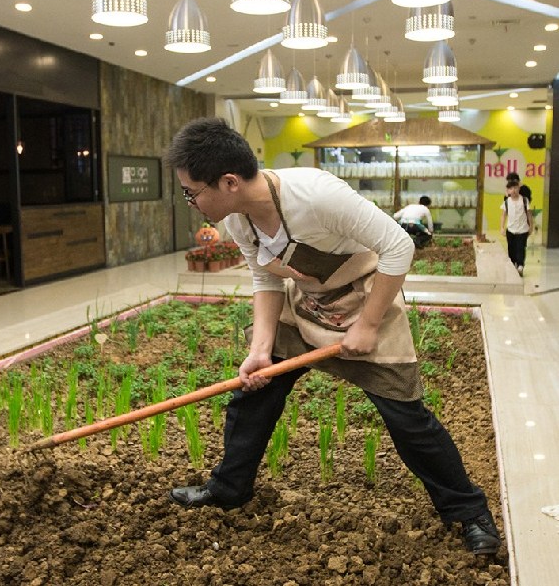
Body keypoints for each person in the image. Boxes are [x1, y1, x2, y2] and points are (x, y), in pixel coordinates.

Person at [163, 118, 500, 556]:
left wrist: (369, 324)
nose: (190, 200)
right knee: (254, 395)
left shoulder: (317, 196)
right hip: (305, 305)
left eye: (192, 191)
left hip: (363, 303)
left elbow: (400, 247)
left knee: (407, 419)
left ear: (228, 182)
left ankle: (469, 511)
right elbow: (264, 279)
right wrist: (260, 349)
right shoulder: (239, 221)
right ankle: (229, 488)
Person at [501, 179, 532, 277]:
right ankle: (513, 264)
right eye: (511, 188)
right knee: (511, 249)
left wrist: (531, 226)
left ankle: (520, 266)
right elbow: (503, 215)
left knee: (521, 248)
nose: (513, 190)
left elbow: (529, 214)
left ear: (519, 188)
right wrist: (501, 227)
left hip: (523, 230)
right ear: (508, 191)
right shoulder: (506, 202)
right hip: (510, 230)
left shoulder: (524, 200)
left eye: (515, 188)